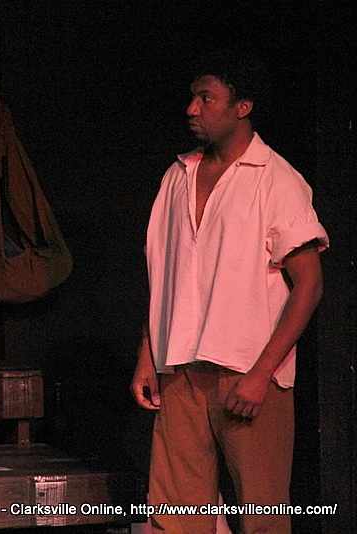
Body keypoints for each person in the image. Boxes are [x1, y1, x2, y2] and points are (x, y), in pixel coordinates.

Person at [131, 53, 328, 533]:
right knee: (175, 514)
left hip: (248, 372)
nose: (192, 109)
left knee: (262, 515)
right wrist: (148, 354)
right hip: (180, 368)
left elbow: (309, 285)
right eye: (192, 98)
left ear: (243, 107)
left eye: (206, 98)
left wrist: (261, 374)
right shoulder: (178, 176)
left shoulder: (275, 179)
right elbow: (165, 275)